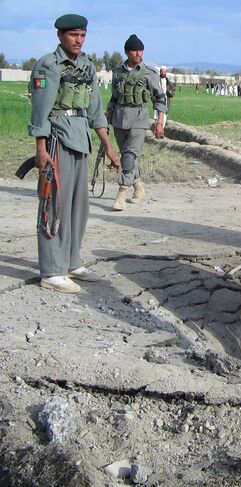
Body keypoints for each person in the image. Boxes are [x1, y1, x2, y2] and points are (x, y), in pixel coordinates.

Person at [28, 14, 120, 293]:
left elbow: (95, 110)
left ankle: (71, 261)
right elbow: (40, 111)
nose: (78, 40)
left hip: (80, 139)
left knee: (79, 207)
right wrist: (41, 149)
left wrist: (109, 147)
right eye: (73, 35)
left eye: (82, 35)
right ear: (60, 36)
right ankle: (51, 271)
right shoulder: (49, 66)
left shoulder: (87, 67)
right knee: (54, 205)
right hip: (57, 139)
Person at [106, 34, 166, 211]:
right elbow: (114, 98)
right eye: (134, 50)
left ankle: (122, 192)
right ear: (126, 52)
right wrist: (107, 118)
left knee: (129, 155)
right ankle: (138, 186)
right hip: (119, 119)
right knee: (128, 157)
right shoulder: (117, 73)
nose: (138, 53)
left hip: (139, 119)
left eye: (141, 49)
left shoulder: (149, 73)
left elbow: (160, 99)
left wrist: (159, 123)